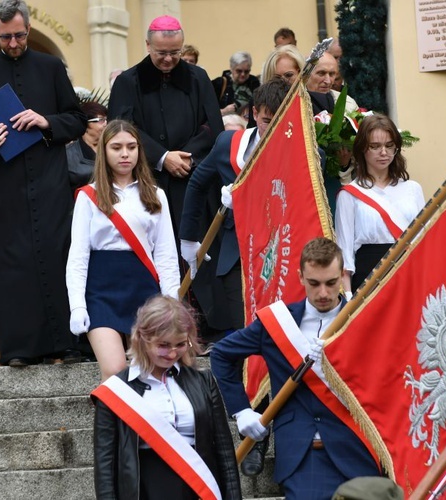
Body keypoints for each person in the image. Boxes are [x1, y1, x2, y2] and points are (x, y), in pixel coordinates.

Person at [0, 0, 87, 366]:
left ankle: (66, 343)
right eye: (6, 37)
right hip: (7, 186)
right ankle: (19, 348)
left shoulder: (50, 67)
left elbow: (77, 119)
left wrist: (45, 121)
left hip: (49, 182)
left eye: (19, 35)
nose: (13, 43)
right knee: (12, 264)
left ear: (28, 30)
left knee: (57, 254)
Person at [211, 238, 382, 498]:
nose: (323, 293)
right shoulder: (278, 322)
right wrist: (242, 411)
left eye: (331, 282)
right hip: (301, 455)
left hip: (357, 447)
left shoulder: (364, 318)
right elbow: (221, 354)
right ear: (300, 277)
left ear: (342, 275)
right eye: (314, 283)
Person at [180, 78, 289, 477]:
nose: (270, 127)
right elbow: (196, 182)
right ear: (250, 116)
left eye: (277, 121)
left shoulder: (298, 145)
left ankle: (273, 430)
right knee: (241, 351)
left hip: (281, 256)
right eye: (263, 120)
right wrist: (189, 239)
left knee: (276, 347)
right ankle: (251, 434)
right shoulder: (231, 145)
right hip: (234, 260)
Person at [91, 295, 241, 500]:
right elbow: (105, 466)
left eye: (180, 344)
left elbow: (225, 453)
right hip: (144, 490)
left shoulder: (204, 381)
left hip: (199, 489)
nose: (172, 354)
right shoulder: (116, 391)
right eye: (163, 345)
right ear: (143, 338)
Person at [67, 120, 180, 381]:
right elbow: (78, 255)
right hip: (101, 290)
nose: (125, 153)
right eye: (116, 147)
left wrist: (172, 301)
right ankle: (112, 422)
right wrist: (77, 306)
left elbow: (165, 254)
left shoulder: (155, 195)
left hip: (144, 287)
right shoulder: (88, 196)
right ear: (103, 151)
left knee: (151, 373)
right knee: (115, 370)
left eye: (131, 147)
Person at [107, 15, 223, 235]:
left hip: (192, 178)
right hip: (146, 180)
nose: (168, 59)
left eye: (175, 52)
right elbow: (120, 130)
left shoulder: (198, 78)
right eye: (161, 53)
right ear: (148, 46)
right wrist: (162, 157)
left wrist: (186, 156)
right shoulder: (127, 82)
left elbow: (213, 126)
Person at [335, 114, 424, 294]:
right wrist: (348, 297)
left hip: (410, 274)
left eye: (389, 145)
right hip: (369, 279)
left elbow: (424, 240)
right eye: (375, 146)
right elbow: (345, 252)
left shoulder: (412, 189)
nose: (384, 152)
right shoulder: (349, 195)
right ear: (362, 149)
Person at [66, 101, 107, 193]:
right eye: (101, 120)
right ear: (86, 124)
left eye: (106, 119)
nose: (106, 124)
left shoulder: (112, 148)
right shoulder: (69, 154)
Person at [212, 51, 260, 117]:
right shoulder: (219, 83)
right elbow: (208, 110)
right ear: (231, 68)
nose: (243, 74)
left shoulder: (254, 83)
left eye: (246, 71)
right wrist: (224, 111)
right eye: (239, 71)